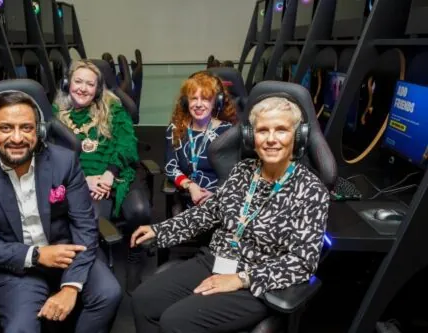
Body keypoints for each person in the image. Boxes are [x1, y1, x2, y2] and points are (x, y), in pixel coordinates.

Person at [130, 95, 330, 333]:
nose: (271, 139)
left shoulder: (310, 190)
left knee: (176, 321)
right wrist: (159, 229)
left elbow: (302, 262)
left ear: (297, 136)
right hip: (217, 260)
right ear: (250, 137)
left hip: (258, 281)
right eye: (263, 130)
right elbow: (209, 211)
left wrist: (241, 279)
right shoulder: (243, 170)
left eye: (282, 130)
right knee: (143, 299)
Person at [0, 90, 121, 333]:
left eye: (26, 127)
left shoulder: (64, 161)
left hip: (66, 252)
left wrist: (71, 286)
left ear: (40, 131)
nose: (16, 137)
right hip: (14, 265)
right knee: (20, 328)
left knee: (109, 294)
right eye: (5, 128)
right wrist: (36, 255)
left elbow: (84, 224)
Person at [52, 59, 150, 293]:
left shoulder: (113, 108)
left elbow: (126, 145)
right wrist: (84, 180)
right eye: (78, 82)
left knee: (139, 210)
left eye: (90, 84)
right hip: (79, 180)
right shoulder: (54, 116)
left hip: (117, 174)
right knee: (93, 218)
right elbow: (52, 157)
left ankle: (135, 257)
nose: (83, 88)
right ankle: (102, 271)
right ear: (67, 84)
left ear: (98, 89)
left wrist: (108, 174)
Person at [165, 71, 237, 211]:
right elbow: (171, 167)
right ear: (186, 102)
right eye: (194, 98)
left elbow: (234, 174)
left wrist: (215, 195)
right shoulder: (175, 129)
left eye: (205, 99)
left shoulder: (228, 132)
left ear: (216, 102)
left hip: (219, 199)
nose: (198, 104)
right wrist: (190, 186)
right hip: (187, 196)